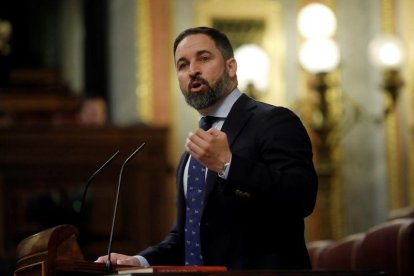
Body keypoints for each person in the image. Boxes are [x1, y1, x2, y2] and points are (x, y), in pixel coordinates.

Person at [96, 26, 318, 270]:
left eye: (204, 58)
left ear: (231, 67)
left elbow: (302, 198)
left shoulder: (274, 121)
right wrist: (138, 261)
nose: (193, 71)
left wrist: (229, 165)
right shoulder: (190, 157)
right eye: (182, 65)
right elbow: (186, 238)